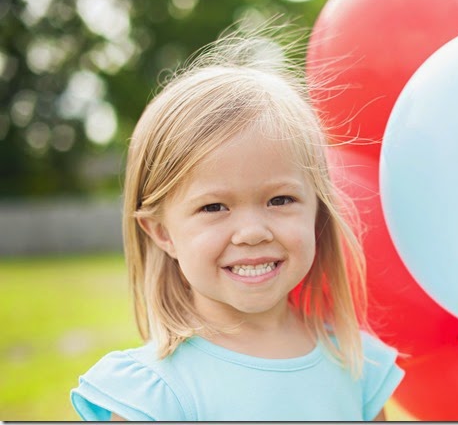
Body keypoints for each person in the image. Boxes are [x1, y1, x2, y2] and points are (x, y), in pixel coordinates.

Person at [69, 22, 404, 421]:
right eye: (214, 207)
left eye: (280, 199)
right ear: (161, 233)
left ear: (318, 210)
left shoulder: (357, 365)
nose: (252, 232)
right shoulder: (153, 393)